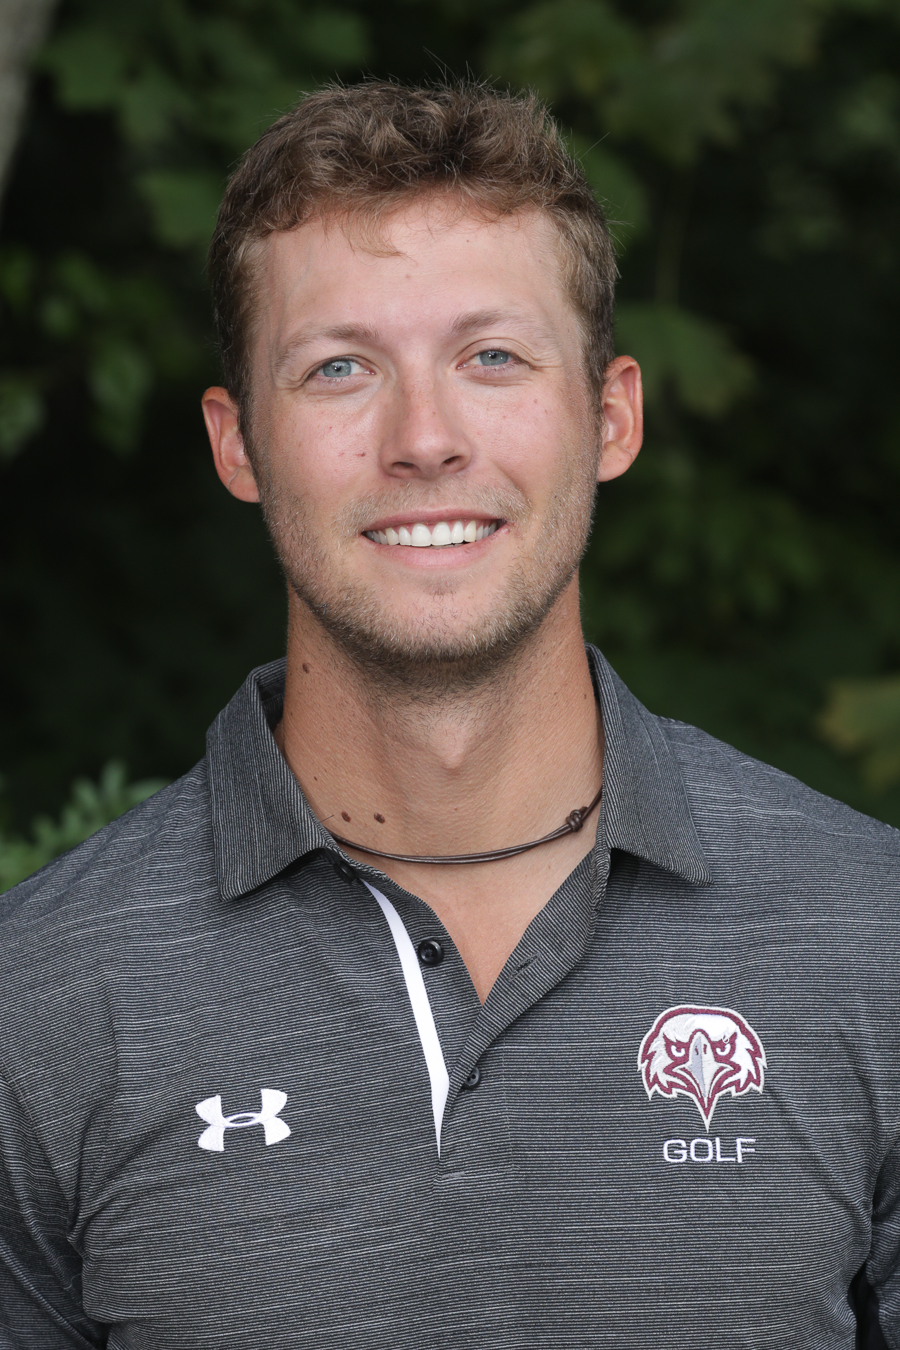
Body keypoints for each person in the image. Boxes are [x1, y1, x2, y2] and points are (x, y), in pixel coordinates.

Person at [1, 80, 898, 1350]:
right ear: (238, 443)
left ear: (611, 416)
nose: (424, 439)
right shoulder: (36, 1001)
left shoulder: (872, 939)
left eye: (492, 358)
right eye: (339, 368)